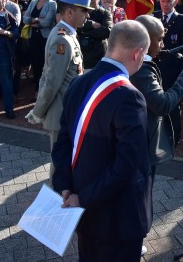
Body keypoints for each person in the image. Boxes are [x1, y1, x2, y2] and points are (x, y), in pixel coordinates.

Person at [51, 20, 152, 261]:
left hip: (81, 209)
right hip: (117, 217)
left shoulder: (78, 82)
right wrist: (81, 198)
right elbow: (127, 165)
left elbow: (62, 141)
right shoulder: (130, 96)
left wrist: (65, 186)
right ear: (138, 53)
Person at [25, 0, 90, 185]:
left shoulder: (68, 34)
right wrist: (38, 111)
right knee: (60, 165)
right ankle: (55, 205)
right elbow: (52, 81)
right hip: (62, 112)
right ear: (70, 12)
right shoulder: (63, 39)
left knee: (66, 160)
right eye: (83, 11)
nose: (87, 15)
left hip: (69, 110)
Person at [131, 15, 183, 182]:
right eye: (160, 40)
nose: (163, 45)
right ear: (146, 39)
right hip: (141, 146)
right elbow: (162, 105)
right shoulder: (141, 70)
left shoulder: (141, 63)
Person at [153, 0, 183, 145]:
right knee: (156, 104)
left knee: (173, 106)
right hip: (156, 69)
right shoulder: (154, 18)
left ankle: (175, 136)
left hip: (173, 70)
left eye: (168, 1)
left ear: (175, 2)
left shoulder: (181, 20)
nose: (165, 5)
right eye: (162, 1)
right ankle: (158, 134)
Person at [23, 0, 57, 92]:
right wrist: (37, 20)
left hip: (45, 38)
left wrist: (34, 20)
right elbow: (25, 19)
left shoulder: (52, 4)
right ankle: (38, 90)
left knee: (45, 64)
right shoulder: (33, 2)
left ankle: (45, 91)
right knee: (35, 64)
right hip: (33, 36)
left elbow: (47, 23)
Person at [77, 0, 113, 70]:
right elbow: (76, 26)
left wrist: (84, 32)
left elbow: (106, 31)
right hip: (82, 58)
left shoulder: (105, 13)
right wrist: (91, 24)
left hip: (99, 58)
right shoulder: (79, 12)